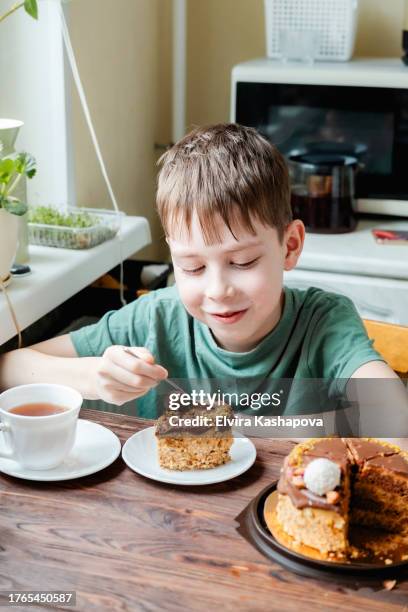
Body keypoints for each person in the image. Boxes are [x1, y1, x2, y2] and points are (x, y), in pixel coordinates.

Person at [0, 124, 405, 427]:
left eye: (243, 262)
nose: (217, 290)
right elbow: (10, 367)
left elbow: (388, 410)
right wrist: (92, 377)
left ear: (290, 246)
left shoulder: (325, 322)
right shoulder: (153, 319)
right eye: (191, 267)